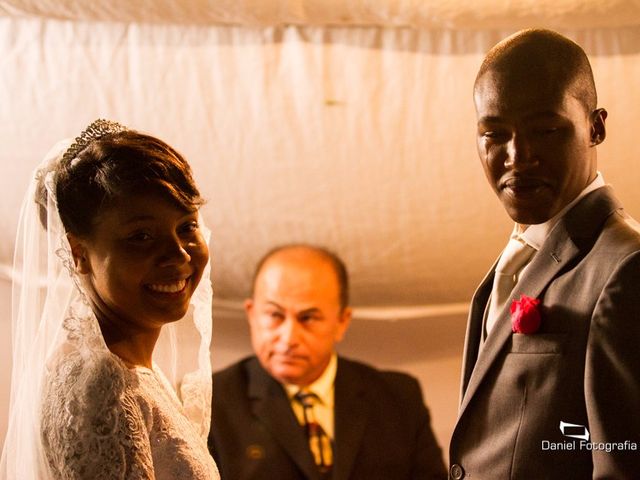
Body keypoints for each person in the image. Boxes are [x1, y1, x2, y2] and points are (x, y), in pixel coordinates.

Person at [448, 29, 640, 479]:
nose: (518, 155)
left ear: (596, 127)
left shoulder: (626, 267)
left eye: (546, 130)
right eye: (494, 133)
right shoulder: (525, 252)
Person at [0, 119, 220, 479]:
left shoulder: (130, 372)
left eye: (187, 227)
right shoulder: (101, 389)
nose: (179, 255)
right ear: (79, 253)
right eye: (141, 236)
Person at [209, 244, 447, 480]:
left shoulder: (399, 398)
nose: (289, 337)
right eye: (274, 315)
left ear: (342, 322)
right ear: (251, 314)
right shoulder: (212, 404)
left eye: (308, 318)